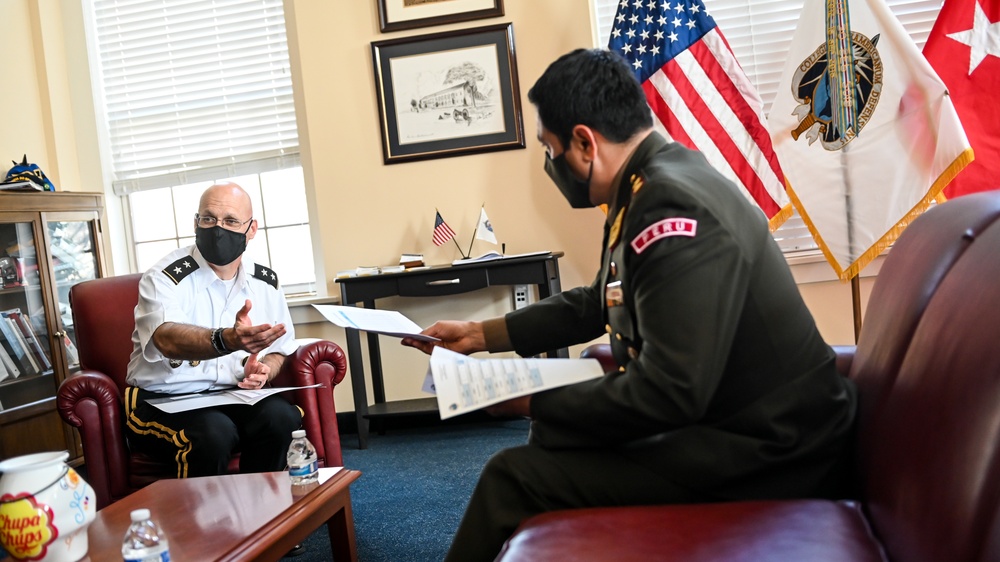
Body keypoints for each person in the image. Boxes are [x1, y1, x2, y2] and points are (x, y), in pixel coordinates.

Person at [402, 48, 859, 562]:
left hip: (774, 450)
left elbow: (671, 393)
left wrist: (519, 396)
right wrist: (482, 336)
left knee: (511, 478)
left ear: (584, 142)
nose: (551, 166)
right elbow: (602, 297)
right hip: (739, 421)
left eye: (550, 150)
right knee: (559, 432)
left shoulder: (671, 205)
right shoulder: (659, 177)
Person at [125, 181, 301, 478]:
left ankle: (263, 515)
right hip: (163, 399)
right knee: (214, 433)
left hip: (231, 395)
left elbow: (279, 351)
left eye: (231, 221)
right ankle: (207, 523)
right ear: (196, 223)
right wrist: (227, 339)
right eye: (208, 219)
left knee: (281, 417)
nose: (218, 229)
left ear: (251, 229)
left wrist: (265, 371)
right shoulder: (164, 277)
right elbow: (166, 338)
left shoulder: (266, 282)